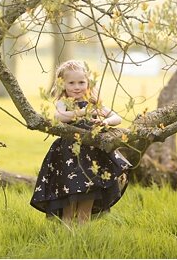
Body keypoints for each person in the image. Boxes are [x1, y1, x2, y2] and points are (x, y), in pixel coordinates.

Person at [30, 60, 130, 224]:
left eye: (81, 82)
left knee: (88, 196)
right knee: (69, 199)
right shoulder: (64, 102)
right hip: (69, 155)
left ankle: (83, 235)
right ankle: (66, 235)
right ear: (63, 84)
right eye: (71, 83)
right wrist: (83, 112)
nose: (77, 87)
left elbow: (116, 117)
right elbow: (58, 116)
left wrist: (105, 122)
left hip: (92, 155)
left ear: (88, 83)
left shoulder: (94, 103)